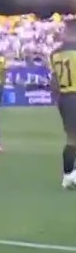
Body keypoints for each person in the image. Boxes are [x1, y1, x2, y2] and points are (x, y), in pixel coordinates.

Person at [51, 19, 76, 188]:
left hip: (65, 97)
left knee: (71, 138)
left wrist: (56, 98)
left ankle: (68, 175)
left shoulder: (55, 53)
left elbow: (54, 80)